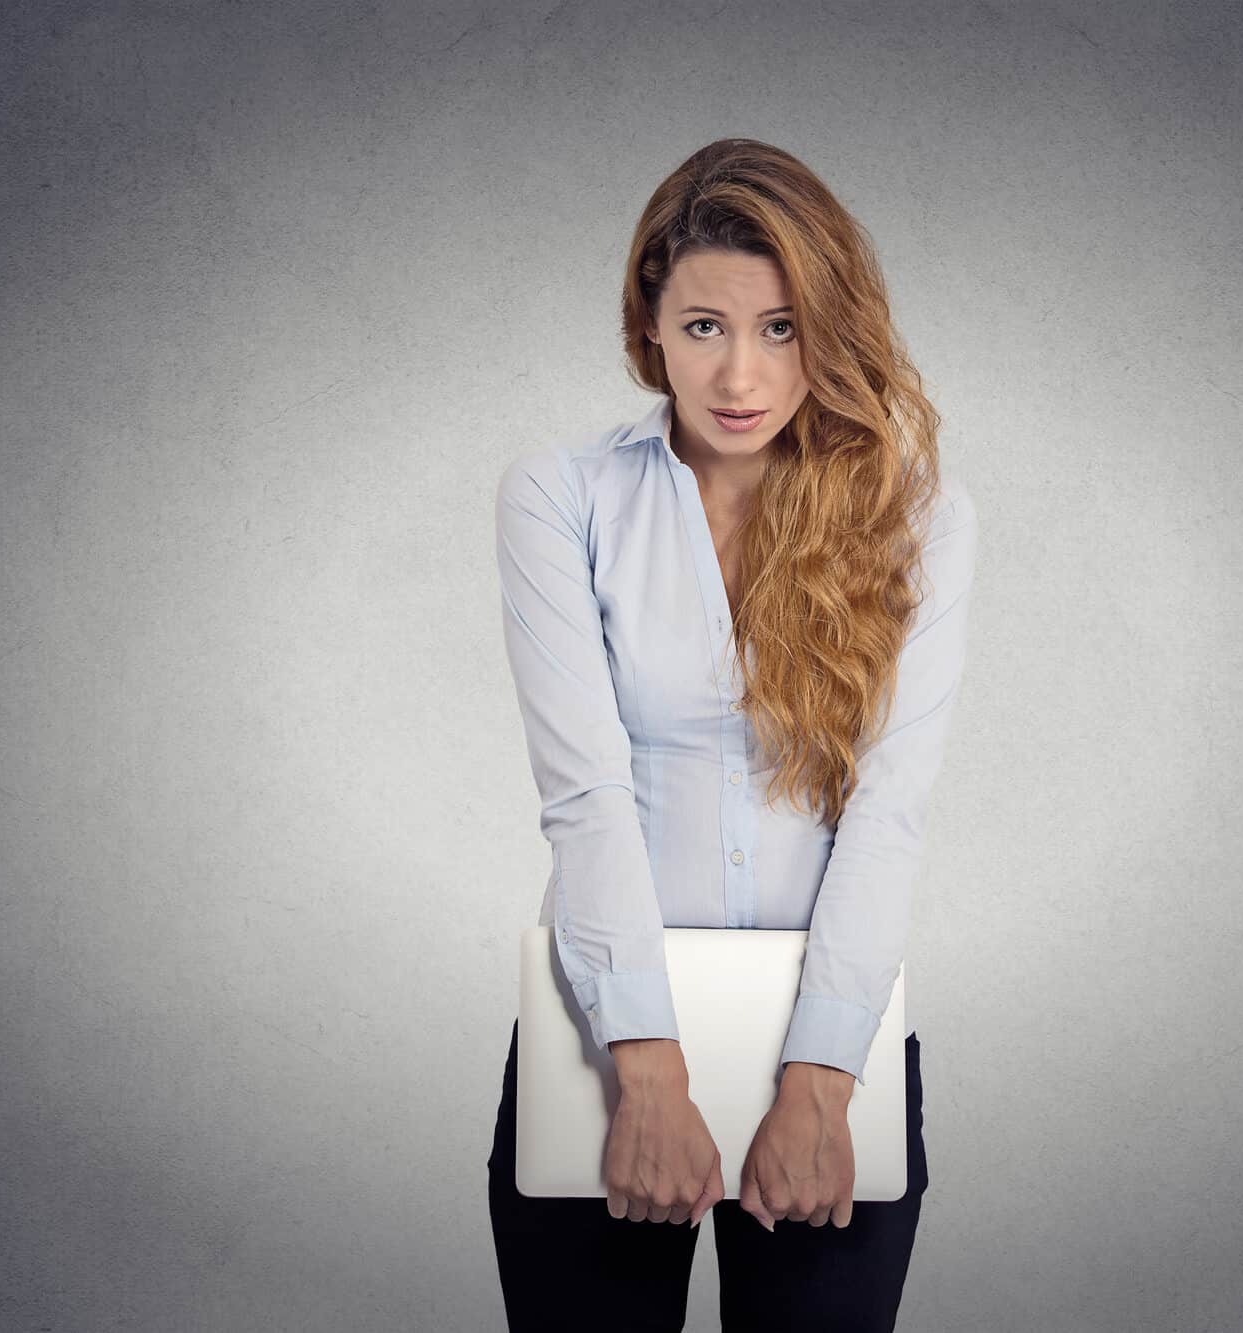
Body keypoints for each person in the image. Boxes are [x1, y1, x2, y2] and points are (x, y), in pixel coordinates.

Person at [486, 137, 978, 1332]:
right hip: (601, 1048)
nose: (740, 373)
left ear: (830, 329)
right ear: (647, 322)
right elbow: (585, 795)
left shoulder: (914, 518)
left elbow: (888, 807)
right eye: (703, 324)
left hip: (830, 1049)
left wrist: (817, 1078)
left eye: (780, 327)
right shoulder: (560, 496)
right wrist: (645, 1069)